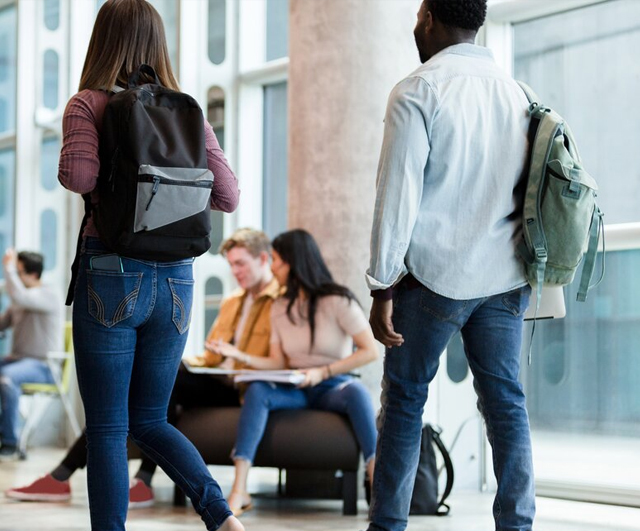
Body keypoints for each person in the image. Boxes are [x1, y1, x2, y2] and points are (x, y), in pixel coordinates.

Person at [58, 1, 243, 530]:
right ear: (160, 44)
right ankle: (223, 518)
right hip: (177, 285)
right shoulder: (186, 111)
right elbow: (227, 195)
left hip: (112, 276)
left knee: (110, 429)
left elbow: (77, 177)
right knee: (151, 420)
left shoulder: (87, 102)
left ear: (101, 41)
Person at [364, 1, 535, 530]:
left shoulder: (418, 89)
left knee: (406, 402)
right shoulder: (519, 93)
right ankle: (518, 523)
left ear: (432, 18)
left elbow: (397, 196)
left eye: (418, 15)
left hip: (433, 278)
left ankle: (388, 524)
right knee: (506, 403)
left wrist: (381, 286)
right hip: (506, 276)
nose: (415, 25)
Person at [6, 229, 279, 508]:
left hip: (245, 385)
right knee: (138, 385)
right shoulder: (233, 300)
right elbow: (214, 353)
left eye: (241, 264)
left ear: (264, 259)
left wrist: (238, 355)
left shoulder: (280, 301)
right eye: (231, 264)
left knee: (150, 398)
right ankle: (122, 481)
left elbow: (284, 359)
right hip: (214, 377)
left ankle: (96, 478)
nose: (235, 271)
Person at [213, 229, 379, 516]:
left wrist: (323, 372)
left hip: (332, 385)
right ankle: (239, 489)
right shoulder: (280, 306)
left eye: (276, 260)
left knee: (357, 392)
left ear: (293, 261)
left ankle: (379, 485)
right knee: (258, 390)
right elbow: (278, 362)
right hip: (295, 386)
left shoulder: (339, 300)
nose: (272, 266)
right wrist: (240, 357)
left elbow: (370, 351)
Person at [0, 249, 63, 459]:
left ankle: (9, 443)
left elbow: (20, 295)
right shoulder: (19, 302)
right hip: (15, 361)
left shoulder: (48, 294)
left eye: (18, 272)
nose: (13, 276)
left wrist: (7, 267)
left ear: (33, 275)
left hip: (42, 366)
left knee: (7, 377)